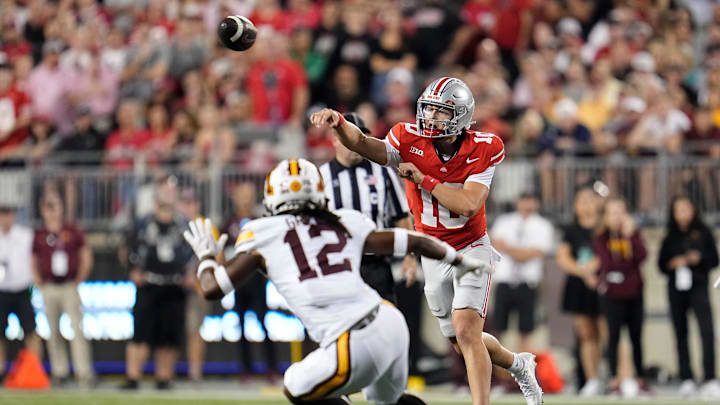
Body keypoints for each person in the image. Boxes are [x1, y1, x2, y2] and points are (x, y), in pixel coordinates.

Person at [310, 77, 543, 405]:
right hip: (433, 249)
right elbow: (364, 143)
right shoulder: (408, 137)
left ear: (461, 116)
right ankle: (518, 363)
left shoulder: (484, 147)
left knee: (466, 329)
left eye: (440, 112)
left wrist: (424, 179)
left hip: (470, 247)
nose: (430, 118)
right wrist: (341, 123)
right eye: (428, 110)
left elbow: (467, 204)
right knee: (460, 339)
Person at [183, 158, 490, 405]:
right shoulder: (343, 220)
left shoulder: (261, 232)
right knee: (387, 401)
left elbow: (212, 288)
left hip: (355, 339)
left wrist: (207, 256)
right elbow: (416, 242)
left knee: (295, 384)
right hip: (390, 322)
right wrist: (460, 262)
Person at [319, 112, 416, 302]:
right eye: (348, 136)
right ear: (336, 140)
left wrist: (410, 256)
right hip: (337, 266)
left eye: (359, 135)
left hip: (376, 265)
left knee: (385, 322)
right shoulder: (321, 177)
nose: (354, 144)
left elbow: (401, 216)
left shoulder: (383, 173)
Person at [120, 176, 194, 390]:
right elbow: (127, 249)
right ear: (156, 195)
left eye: (171, 191)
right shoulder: (143, 224)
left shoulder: (184, 225)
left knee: (169, 336)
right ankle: (133, 376)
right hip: (149, 284)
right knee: (140, 333)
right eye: (164, 190)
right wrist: (132, 270)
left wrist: (191, 273)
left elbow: (194, 252)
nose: (167, 195)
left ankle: (164, 377)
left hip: (174, 285)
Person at [31, 190, 94, 387]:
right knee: (53, 332)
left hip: (68, 285)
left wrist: (79, 280)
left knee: (77, 329)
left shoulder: (72, 231)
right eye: (47, 207)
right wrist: (39, 282)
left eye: (54, 206)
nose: (51, 211)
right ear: (42, 210)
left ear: (61, 208)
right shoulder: (40, 234)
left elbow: (85, 255)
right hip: (49, 286)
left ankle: (83, 372)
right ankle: (60, 371)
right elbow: (33, 260)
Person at [658, 196, 720, 398]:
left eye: (686, 208)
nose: (683, 213)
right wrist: (674, 263)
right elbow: (661, 264)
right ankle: (687, 378)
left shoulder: (703, 233)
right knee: (680, 332)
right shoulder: (669, 237)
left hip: (699, 286)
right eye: (679, 209)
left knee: (706, 332)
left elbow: (714, 260)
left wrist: (698, 259)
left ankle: (710, 378)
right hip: (676, 289)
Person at [221, 182, 278, 382]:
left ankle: (271, 368)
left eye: (248, 194)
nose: (245, 198)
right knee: (241, 323)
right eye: (241, 194)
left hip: (256, 278)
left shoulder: (260, 220)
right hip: (238, 280)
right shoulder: (229, 223)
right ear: (235, 197)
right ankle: (246, 369)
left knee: (263, 322)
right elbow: (223, 251)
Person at [593, 198, 647, 398]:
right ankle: (615, 379)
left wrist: (630, 236)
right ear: (606, 216)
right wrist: (626, 266)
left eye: (620, 212)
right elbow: (607, 263)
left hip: (634, 293)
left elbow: (642, 256)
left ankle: (640, 379)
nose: (617, 217)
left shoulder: (633, 234)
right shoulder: (601, 237)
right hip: (612, 295)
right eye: (612, 213)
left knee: (636, 337)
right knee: (613, 337)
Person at [490, 192, 553, 353]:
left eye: (529, 201)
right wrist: (521, 252)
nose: (526, 205)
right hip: (504, 280)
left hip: (528, 282)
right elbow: (493, 243)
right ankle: (498, 372)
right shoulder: (504, 221)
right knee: (498, 329)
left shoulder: (543, 225)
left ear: (536, 203)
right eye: (523, 201)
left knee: (526, 330)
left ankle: (522, 371)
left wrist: (509, 248)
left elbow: (536, 252)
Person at [556, 188, 604, 396]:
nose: (585, 204)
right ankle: (591, 379)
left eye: (589, 200)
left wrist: (593, 270)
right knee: (586, 336)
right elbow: (563, 257)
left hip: (602, 284)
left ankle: (613, 377)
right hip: (579, 285)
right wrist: (583, 272)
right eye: (581, 201)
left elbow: (606, 253)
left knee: (607, 333)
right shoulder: (571, 230)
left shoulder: (604, 228)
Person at [0, 202, 41, 382]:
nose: (5, 218)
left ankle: (35, 369)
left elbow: (36, 257)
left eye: (8, 214)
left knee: (30, 331)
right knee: (0, 333)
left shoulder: (25, 235)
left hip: (23, 289)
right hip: (2, 290)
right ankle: (0, 371)